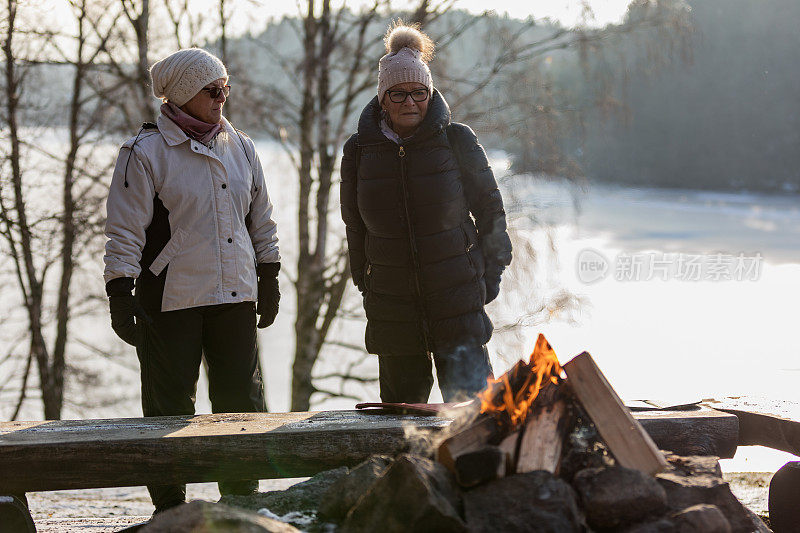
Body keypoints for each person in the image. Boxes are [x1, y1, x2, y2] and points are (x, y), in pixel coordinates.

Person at [103, 48, 280, 514]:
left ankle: (242, 506)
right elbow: (124, 231)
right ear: (183, 95)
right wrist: (120, 292)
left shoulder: (241, 147)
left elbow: (260, 220)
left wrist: (270, 274)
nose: (223, 97)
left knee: (241, 408)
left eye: (226, 87)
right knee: (167, 414)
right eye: (212, 89)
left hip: (235, 295)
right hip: (170, 299)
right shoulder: (144, 153)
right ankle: (169, 511)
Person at [340, 23, 513, 403]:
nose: (410, 103)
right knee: (401, 428)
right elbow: (354, 224)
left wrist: (490, 276)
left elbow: (490, 211)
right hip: (392, 305)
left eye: (419, 93)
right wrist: (364, 283)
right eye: (398, 94)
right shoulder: (359, 150)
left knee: (475, 417)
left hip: (458, 299)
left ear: (430, 93)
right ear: (383, 98)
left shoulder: (457, 140)